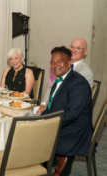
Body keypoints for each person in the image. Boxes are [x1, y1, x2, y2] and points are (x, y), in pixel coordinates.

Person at [41, 46, 93, 176]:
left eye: (59, 61)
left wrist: (46, 123)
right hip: (63, 123)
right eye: (53, 62)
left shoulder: (78, 83)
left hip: (74, 130)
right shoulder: (60, 80)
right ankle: (41, 165)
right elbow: (53, 107)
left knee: (35, 138)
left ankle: (60, 163)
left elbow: (72, 114)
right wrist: (41, 116)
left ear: (69, 63)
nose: (55, 65)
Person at [37, 38, 93, 113]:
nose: (73, 50)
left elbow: (74, 105)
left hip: (68, 116)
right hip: (54, 110)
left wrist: (48, 114)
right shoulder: (62, 67)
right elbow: (52, 88)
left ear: (85, 51)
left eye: (78, 48)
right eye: (72, 47)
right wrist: (43, 105)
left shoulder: (85, 72)